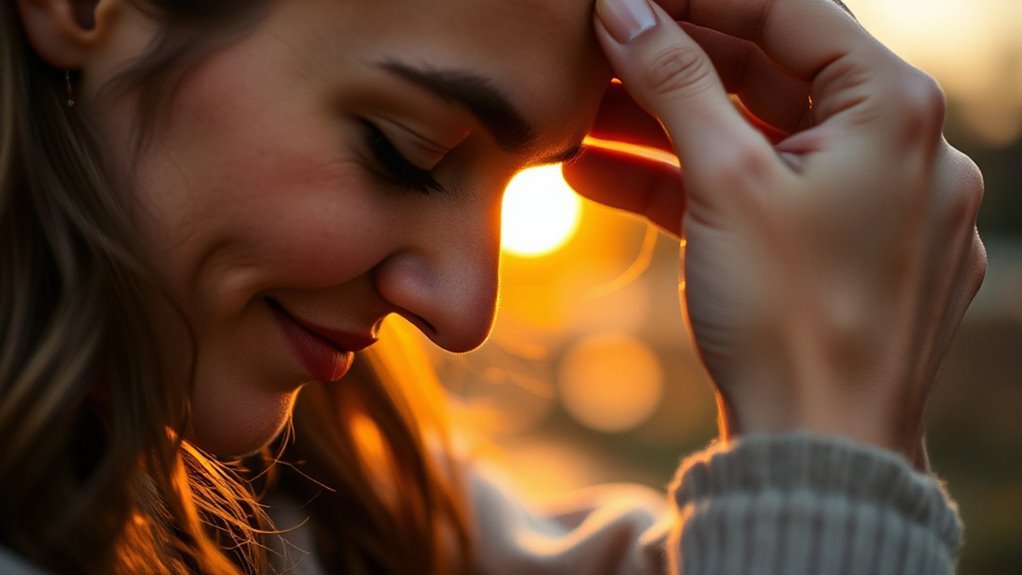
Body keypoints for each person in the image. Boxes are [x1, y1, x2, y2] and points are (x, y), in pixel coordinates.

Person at [0, 0, 984, 573]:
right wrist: (825, 418)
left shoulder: (331, 499)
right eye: (405, 150)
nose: (464, 312)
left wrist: (825, 438)